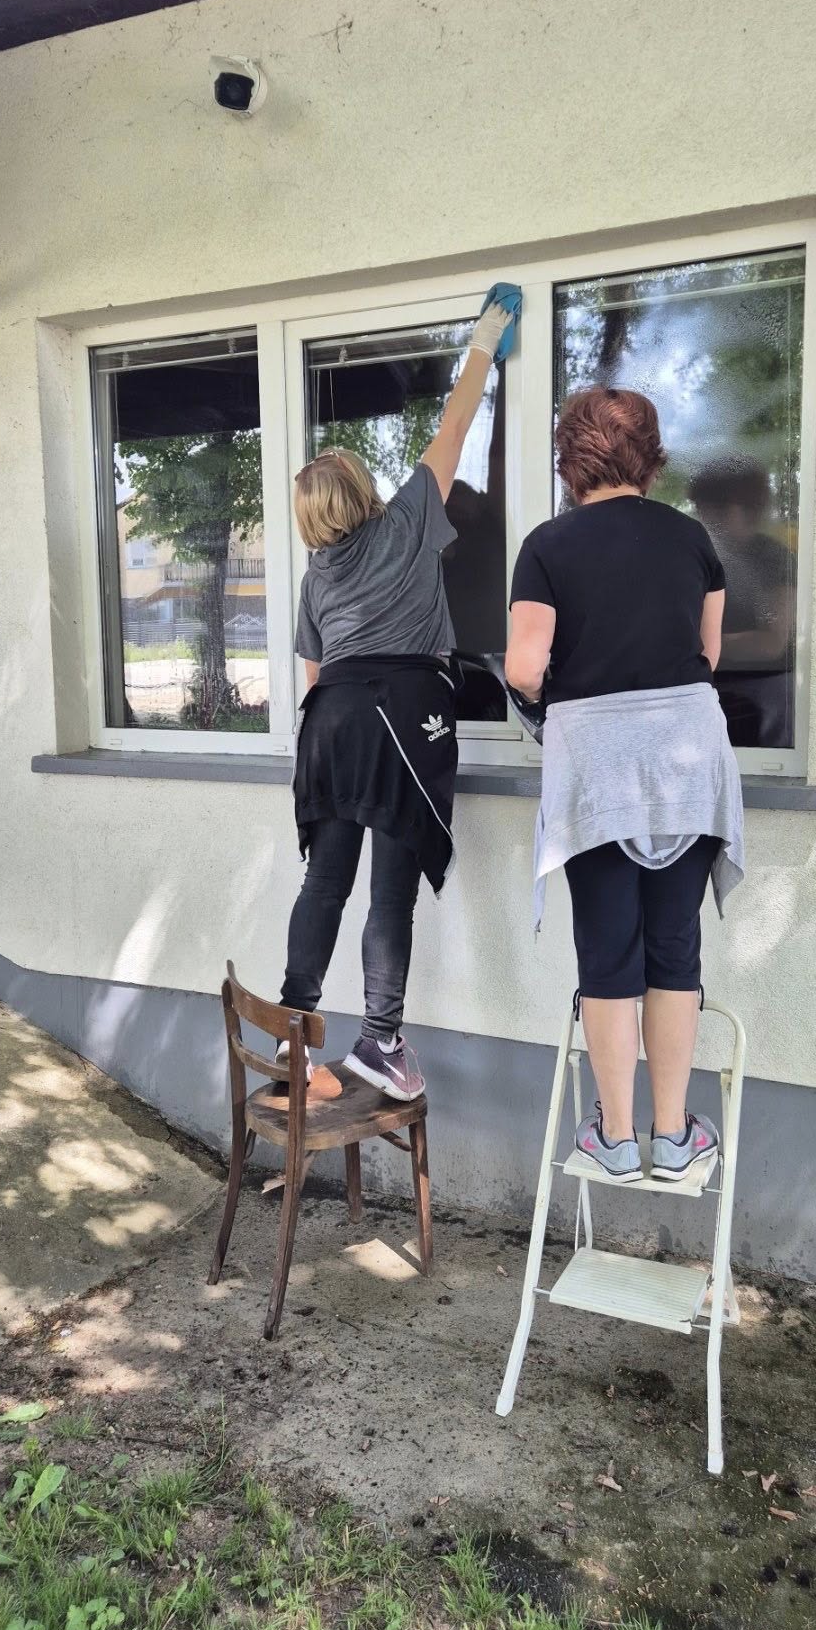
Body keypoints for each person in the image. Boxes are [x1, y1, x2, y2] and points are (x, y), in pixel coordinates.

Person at [278, 291, 520, 1103]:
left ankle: (292, 1037)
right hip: (400, 711)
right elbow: (452, 427)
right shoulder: (410, 518)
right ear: (362, 489)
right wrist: (484, 338)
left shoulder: (317, 575)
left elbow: (313, 679)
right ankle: (379, 1040)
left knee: (324, 884)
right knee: (388, 890)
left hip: (330, 722)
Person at [505, 387, 744, 1182]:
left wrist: (557, 695)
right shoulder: (691, 539)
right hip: (686, 756)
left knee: (607, 952)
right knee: (673, 948)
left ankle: (611, 1140)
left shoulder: (547, 545)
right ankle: (674, 1139)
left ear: (570, 455)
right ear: (649, 453)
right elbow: (707, 656)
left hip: (599, 762)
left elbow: (523, 669)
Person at [688, 457, 796, 749]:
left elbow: (773, 643)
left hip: (766, 692)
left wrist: (696, 647)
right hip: (704, 688)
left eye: (711, 508)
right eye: (702, 508)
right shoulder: (694, 555)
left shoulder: (775, 558)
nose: (704, 518)